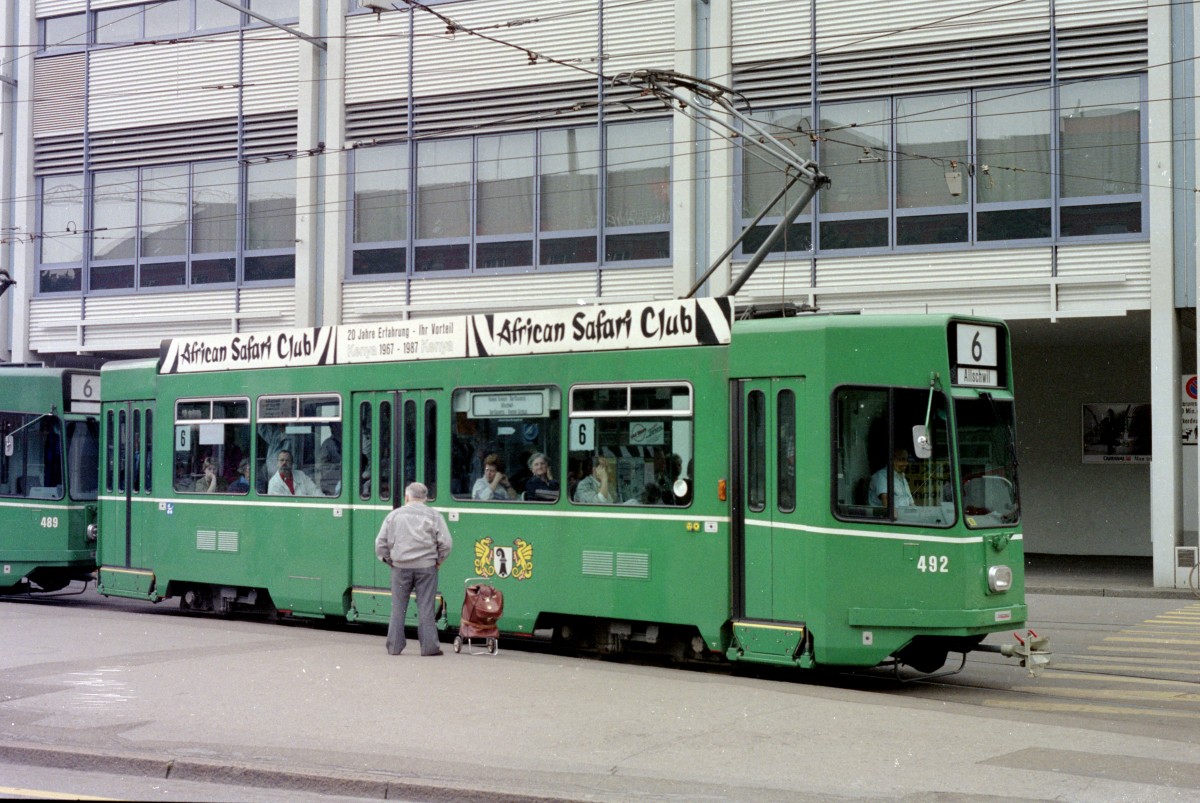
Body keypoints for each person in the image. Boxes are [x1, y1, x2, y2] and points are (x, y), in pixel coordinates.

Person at [374, 482, 453, 656]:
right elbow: (446, 544)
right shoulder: (434, 516)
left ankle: (394, 647)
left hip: (400, 567)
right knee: (426, 607)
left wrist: (389, 561)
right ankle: (429, 648)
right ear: (425, 498)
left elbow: (380, 544)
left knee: (398, 607)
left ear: (407, 496)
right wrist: (438, 561)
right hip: (426, 567)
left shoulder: (394, 516)